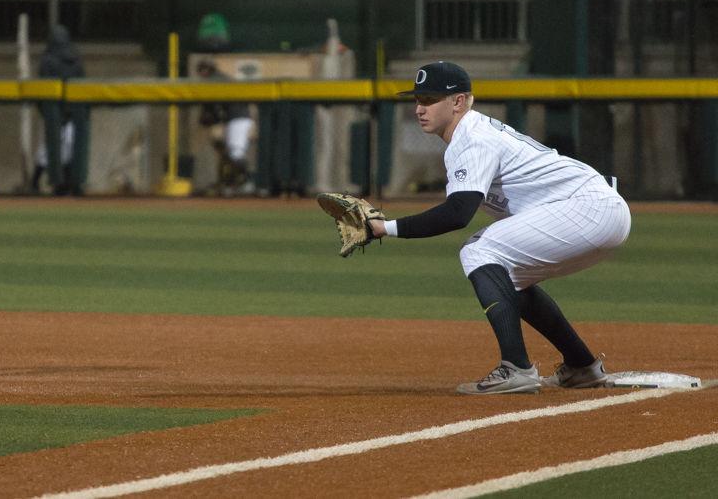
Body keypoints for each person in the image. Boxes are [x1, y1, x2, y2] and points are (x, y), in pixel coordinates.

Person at [318, 61, 631, 395]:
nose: (420, 108)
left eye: (430, 99)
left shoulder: (472, 138)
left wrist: (384, 228)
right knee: (508, 277)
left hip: (588, 208)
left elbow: (458, 213)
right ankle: (581, 366)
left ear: (459, 102)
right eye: (418, 99)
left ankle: (516, 368)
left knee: (480, 250)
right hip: (594, 210)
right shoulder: (471, 135)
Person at [32, 25, 86, 195]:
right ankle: (56, 184)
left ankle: (65, 185)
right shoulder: (68, 59)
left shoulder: (54, 60)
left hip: (65, 114)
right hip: (61, 113)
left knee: (61, 149)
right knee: (53, 149)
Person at [196, 59, 255, 196]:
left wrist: (209, 117)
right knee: (227, 154)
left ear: (208, 70)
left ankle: (249, 182)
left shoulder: (216, 79)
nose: (201, 74)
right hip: (232, 119)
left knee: (235, 153)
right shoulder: (216, 79)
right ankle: (233, 183)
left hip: (238, 118)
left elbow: (211, 107)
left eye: (203, 70)